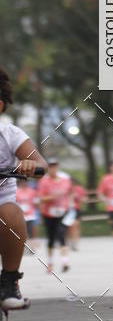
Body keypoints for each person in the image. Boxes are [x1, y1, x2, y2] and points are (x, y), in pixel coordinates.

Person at [0, 68, 47, 308]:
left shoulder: (9, 135)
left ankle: (9, 283)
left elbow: (42, 164)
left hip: (3, 214)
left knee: (11, 212)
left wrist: (30, 165)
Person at [37, 157, 72, 274]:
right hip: (49, 214)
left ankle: (65, 262)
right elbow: (41, 198)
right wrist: (53, 197)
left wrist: (69, 202)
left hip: (62, 212)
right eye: (51, 166)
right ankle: (50, 263)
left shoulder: (65, 179)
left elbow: (69, 192)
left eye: (55, 166)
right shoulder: (44, 181)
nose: (53, 168)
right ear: (48, 168)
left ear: (58, 167)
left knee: (62, 235)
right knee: (51, 239)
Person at [16, 178, 39, 251]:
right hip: (20, 215)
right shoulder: (16, 191)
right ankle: (21, 247)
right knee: (21, 232)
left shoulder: (32, 191)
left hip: (30, 215)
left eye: (25, 182)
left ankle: (31, 247)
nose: (23, 183)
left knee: (30, 231)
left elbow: (36, 201)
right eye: (22, 182)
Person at [68, 181, 88, 250]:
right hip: (66, 210)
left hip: (76, 209)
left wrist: (79, 198)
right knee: (68, 227)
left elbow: (85, 199)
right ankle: (69, 241)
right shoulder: (64, 188)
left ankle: (75, 243)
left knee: (76, 226)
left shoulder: (79, 189)